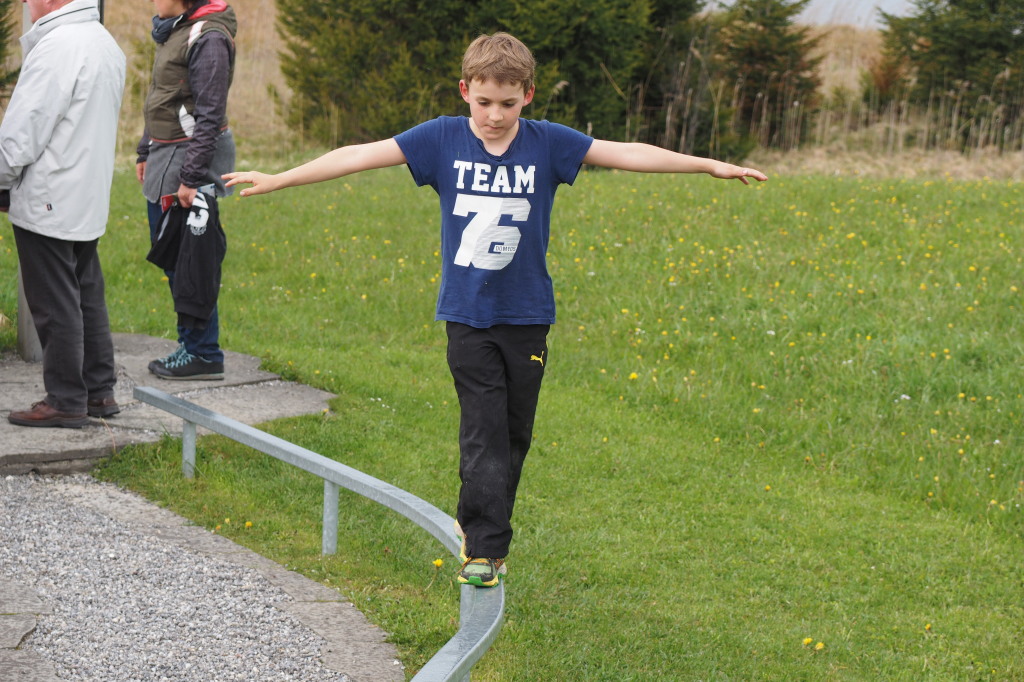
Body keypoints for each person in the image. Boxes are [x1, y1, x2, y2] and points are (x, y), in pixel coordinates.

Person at [224, 32, 767, 587]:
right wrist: (281, 178)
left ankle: (481, 527)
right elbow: (359, 155)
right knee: (483, 426)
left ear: (528, 95)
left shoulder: (548, 143)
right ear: (465, 91)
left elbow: (626, 153)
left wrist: (706, 165)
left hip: (528, 315)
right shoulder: (440, 138)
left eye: (508, 103)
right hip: (468, 315)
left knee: (513, 435)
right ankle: (485, 548)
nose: (495, 115)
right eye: (483, 102)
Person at [2, 0, 125, 428]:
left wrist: (2, 179)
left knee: (54, 303)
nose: (25, 2)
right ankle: (99, 391)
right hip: (85, 193)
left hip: (50, 194)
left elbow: (21, 135)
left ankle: (66, 400)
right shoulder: (103, 42)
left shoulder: (58, 47)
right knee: (86, 294)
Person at [137, 0, 236, 381]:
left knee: (191, 258)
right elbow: (163, 96)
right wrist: (145, 149)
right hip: (167, 154)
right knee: (173, 255)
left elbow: (209, 114)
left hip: (188, 158)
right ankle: (191, 345)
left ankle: (203, 353)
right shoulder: (179, 28)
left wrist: (191, 178)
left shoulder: (208, 37)